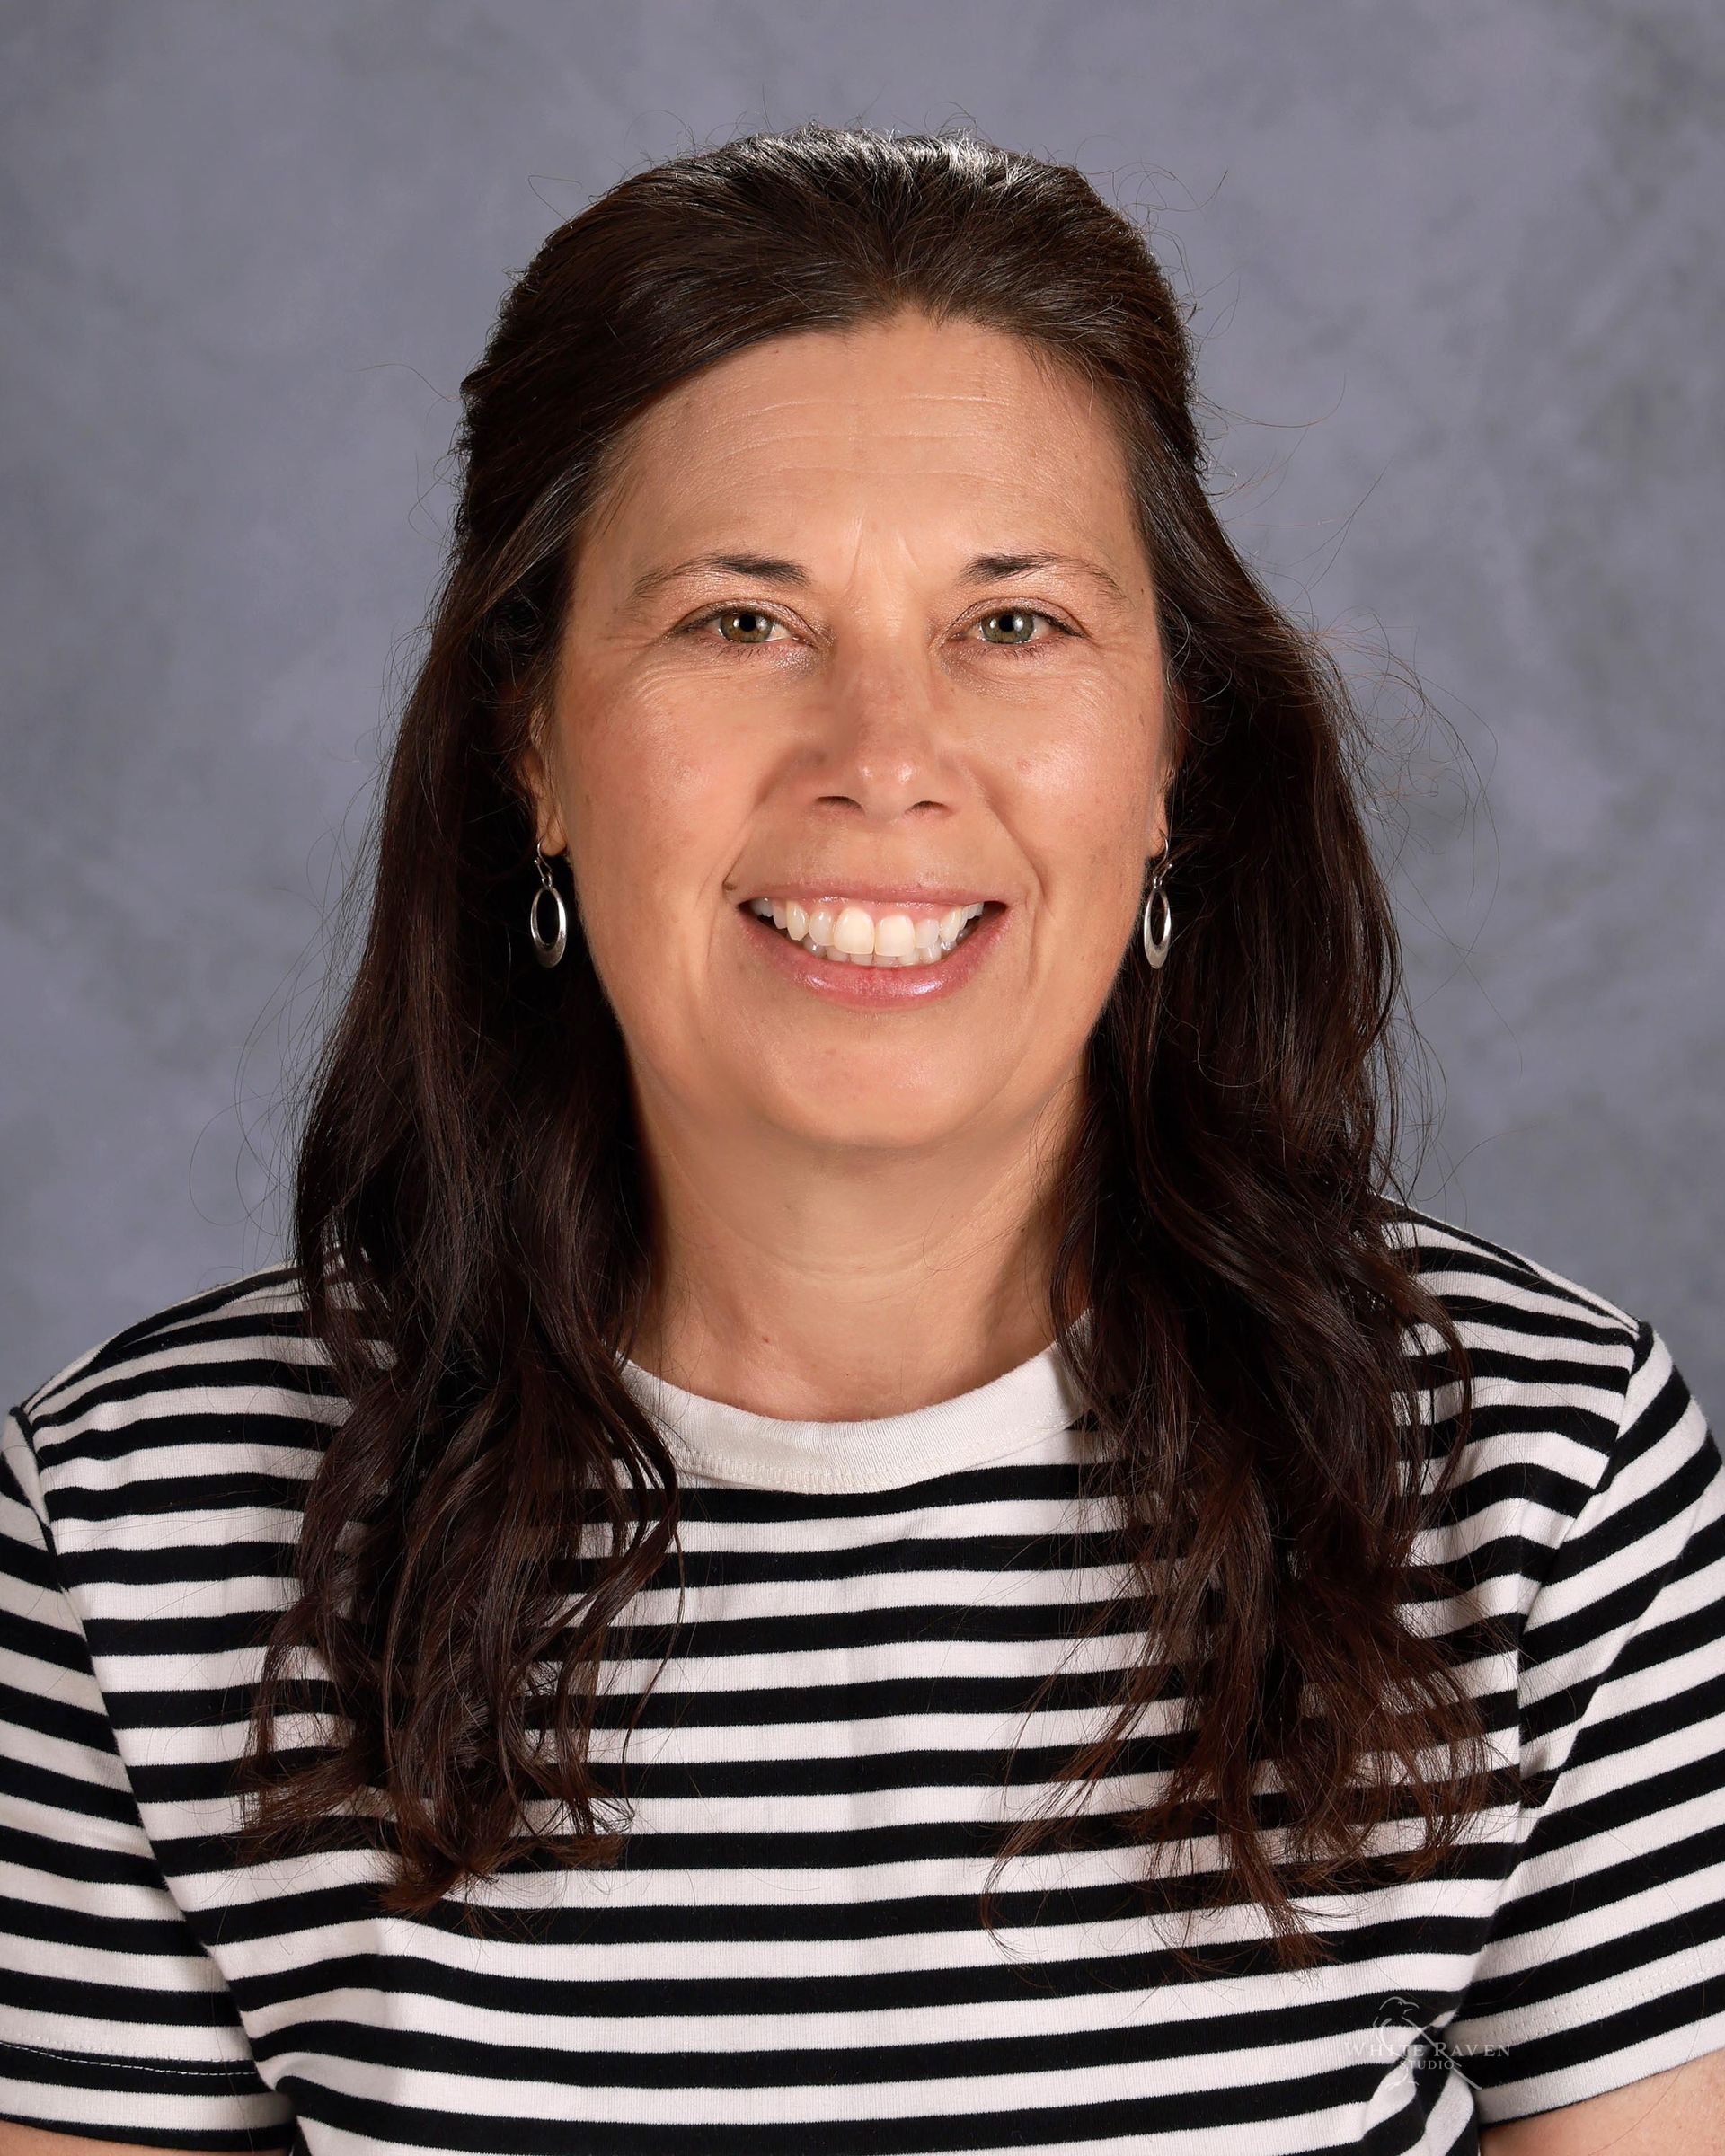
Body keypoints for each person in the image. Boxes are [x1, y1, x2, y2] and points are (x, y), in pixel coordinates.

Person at [2, 123, 1721, 2156]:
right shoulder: (141, 1532)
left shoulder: (1530, 1480)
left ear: (1175, 746)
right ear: (530, 741)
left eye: (1015, 626)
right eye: (743, 622)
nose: (883, 762)